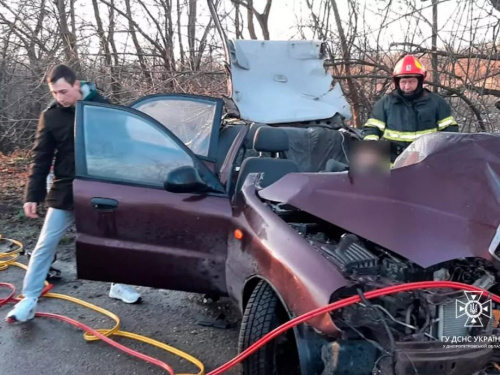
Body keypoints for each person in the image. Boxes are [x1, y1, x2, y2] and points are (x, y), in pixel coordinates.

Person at [6, 64, 141, 323]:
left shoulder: (103, 108)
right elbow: (41, 158)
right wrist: (31, 195)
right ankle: (29, 299)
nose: (59, 97)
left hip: (101, 187)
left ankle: (118, 284)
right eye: (55, 92)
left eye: (63, 91)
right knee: (46, 243)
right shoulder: (52, 116)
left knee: (112, 239)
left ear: (77, 85)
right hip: (66, 189)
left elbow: (124, 148)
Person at [362, 54, 459, 163]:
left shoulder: (437, 103)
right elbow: (372, 128)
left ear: (420, 81)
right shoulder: (385, 103)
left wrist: (440, 153)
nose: (407, 86)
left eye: (411, 81)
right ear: (397, 82)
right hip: (392, 165)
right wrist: (371, 148)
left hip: (426, 162)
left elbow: (450, 132)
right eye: (403, 82)